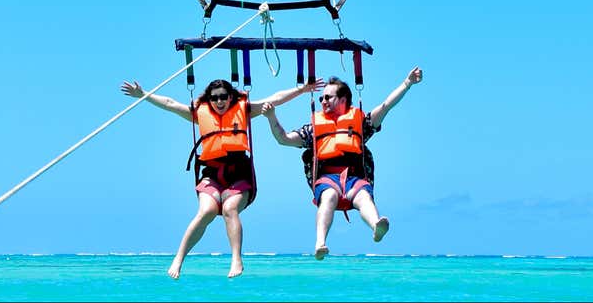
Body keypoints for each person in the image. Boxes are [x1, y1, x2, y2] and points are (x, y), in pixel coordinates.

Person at [120, 77, 322, 278]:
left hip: (239, 173)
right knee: (206, 211)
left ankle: (236, 259)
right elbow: (170, 104)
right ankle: (179, 258)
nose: (219, 102)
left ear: (231, 97)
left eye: (223, 97)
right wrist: (143, 94)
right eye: (214, 98)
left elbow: (275, 98)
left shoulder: (244, 109)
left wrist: (302, 90)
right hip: (212, 173)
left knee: (229, 209)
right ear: (209, 99)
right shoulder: (199, 113)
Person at [262, 66, 422, 259]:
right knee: (329, 196)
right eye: (321, 98)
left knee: (364, 197)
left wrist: (407, 83)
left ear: (343, 99)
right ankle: (320, 243)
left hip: (355, 178)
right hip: (327, 179)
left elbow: (386, 106)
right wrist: (271, 117)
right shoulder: (313, 129)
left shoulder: (361, 123)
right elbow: (284, 139)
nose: (323, 101)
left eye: (328, 97)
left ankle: (376, 225)